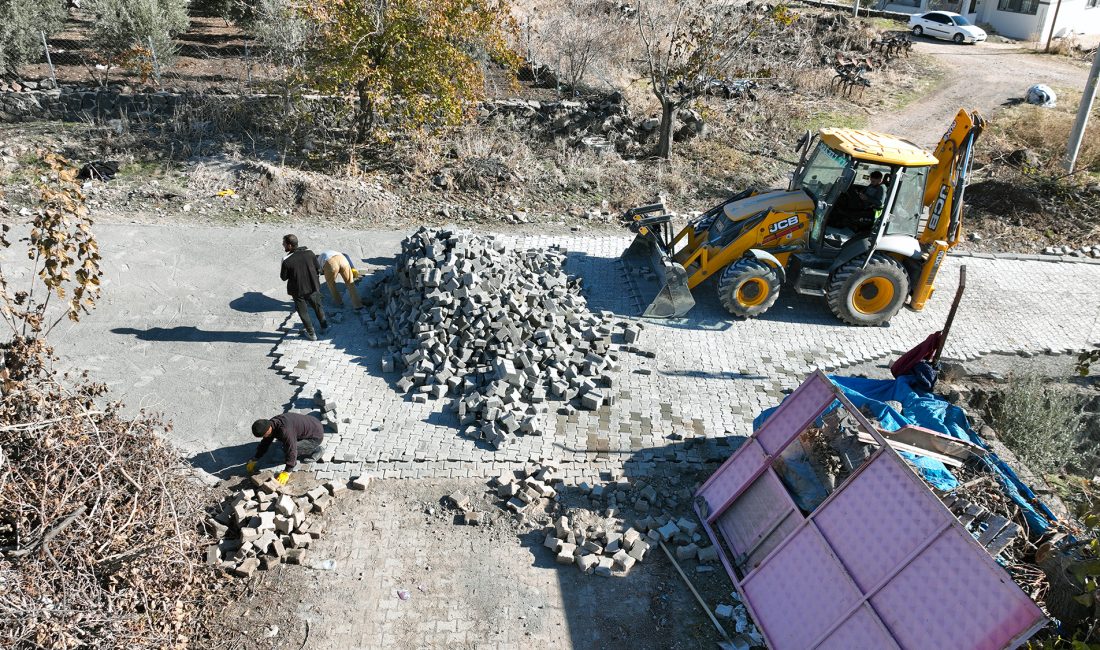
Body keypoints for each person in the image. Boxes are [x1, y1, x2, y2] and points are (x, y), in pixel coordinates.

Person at [245, 413, 325, 484]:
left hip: (315, 436)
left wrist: (287, 471)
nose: (263, 437)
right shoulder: (272, 423)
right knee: (284, 441)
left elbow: (291, 449)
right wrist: (255, 458)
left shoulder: (285, 430)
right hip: (311, 423)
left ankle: (316, 449)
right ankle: (299, 439)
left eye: (263, 435)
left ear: (267, 431)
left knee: (287, 449)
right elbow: (266, 442)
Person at [281, 234, 328, 341]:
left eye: (284, 244)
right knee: (317, 306)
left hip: (297, 290)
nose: (283, 245)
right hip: (312, 285)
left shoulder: (286, 260)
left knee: (303, 311)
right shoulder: (310, 253)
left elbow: (284, 277)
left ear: (289, 245)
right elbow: (318, 269)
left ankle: (311, 334)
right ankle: (324, 326)